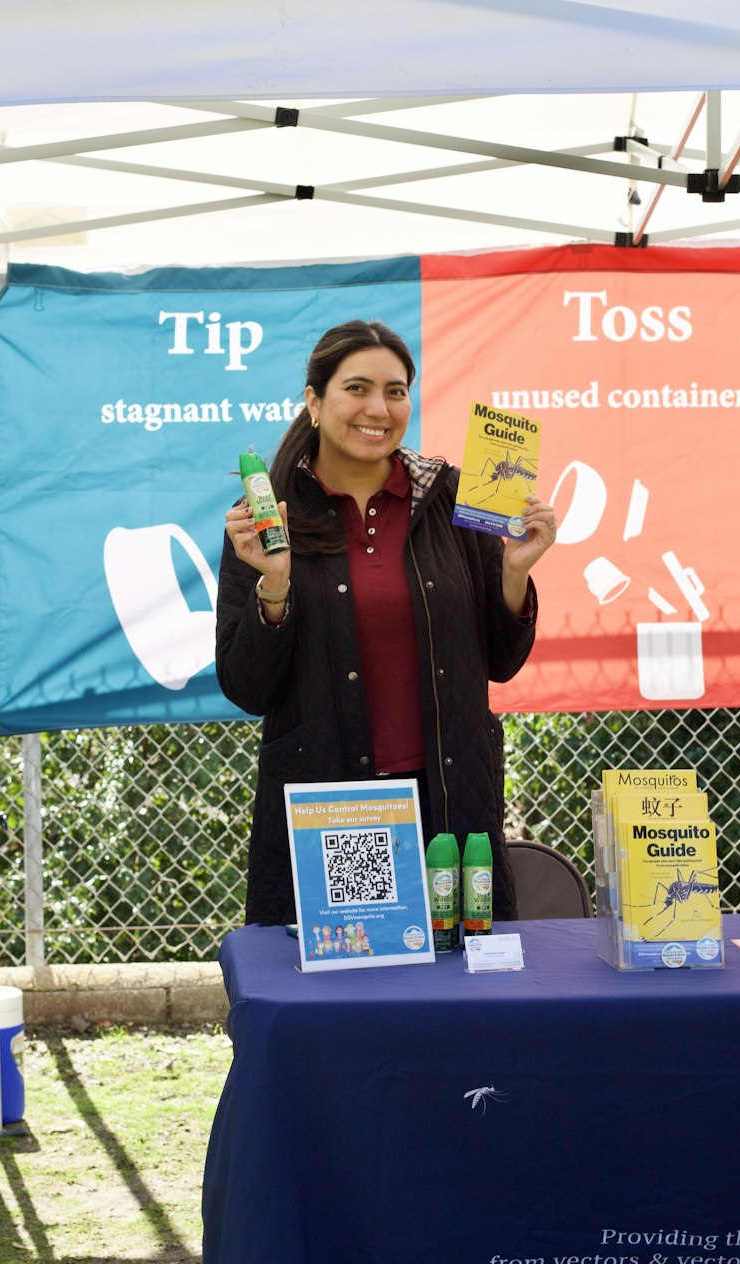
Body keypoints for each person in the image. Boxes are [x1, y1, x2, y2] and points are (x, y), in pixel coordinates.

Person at [216, 320, 557, 926]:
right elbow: (248, 688)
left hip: (450, 806)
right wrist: (275, 584)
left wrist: (514, 574)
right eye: (358, 388)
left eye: (396, 391)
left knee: (460, 993)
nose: (379, 408)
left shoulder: (454, 497)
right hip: (337, 810)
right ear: (314, 402)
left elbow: (502, 662)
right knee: (351, 984)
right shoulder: (268, 515)